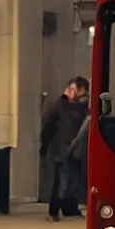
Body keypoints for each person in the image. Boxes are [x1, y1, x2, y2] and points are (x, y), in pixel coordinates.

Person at [40, 76, 89, 220]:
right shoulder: (59, 105)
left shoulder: (82, 107)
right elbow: (47, 124)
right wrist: (45, 144)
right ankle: (54, 210)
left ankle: (70, 208)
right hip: (62, 146)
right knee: (62, 179)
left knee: (74, 179)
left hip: (76, 147)